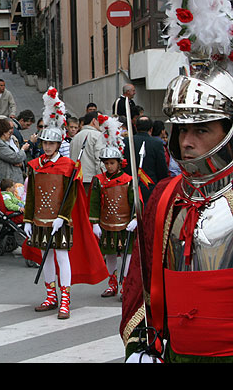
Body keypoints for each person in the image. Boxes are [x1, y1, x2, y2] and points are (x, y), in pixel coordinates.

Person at [120, 58, 233, 363]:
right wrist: (141, 344)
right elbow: (141, 281)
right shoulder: (165, 194)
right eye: (183, 131)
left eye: (201, 130)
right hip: (176, 351)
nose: (187, 142)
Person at [24, 88, 108, 320]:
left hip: (61, 221)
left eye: (52, 144)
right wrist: (28, 219)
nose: (48, 147)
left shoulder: (68, 166)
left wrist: (63, 217)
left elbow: (71, 195)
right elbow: (31, 194)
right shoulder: (34, 165)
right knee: (46, 256)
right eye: (45, 144)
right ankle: (50, 296)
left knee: (62, 256)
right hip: (40, 219)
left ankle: (65, 300)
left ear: (58, 144)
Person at [88, 116, 136, 299]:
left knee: (127, 256)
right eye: (106, 163)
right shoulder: (98, 181)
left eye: (112, 163)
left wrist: (135, 219)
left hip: (125, 224)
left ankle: (125, 284)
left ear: (119, 162)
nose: (108, 166)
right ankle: (112, 283)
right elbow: (94, 203)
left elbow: (135, 202)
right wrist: (95, 223)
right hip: (106, 223)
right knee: (109, 255)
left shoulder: (128, 181)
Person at [122, 116, 169, 206]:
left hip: (129, 185)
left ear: (136, 127)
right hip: (150, 188)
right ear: (151, 129)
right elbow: (162, 169)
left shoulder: (125, 142)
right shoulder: (157, 144)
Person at [69, 111, 104, 194]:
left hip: (77, 179)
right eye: (101, 121)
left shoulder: (75, 137)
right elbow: (100, 160)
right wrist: (103, 180)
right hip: (92, 180)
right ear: (94, 121)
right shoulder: (98, 136)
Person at [0, 117, 28, 183]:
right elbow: (16, 157)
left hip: (14, 181)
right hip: (7, 183)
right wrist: (23, 149)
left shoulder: (6, 142)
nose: (10, 133)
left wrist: (21, 164)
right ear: (2, 132)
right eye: (8, 131)